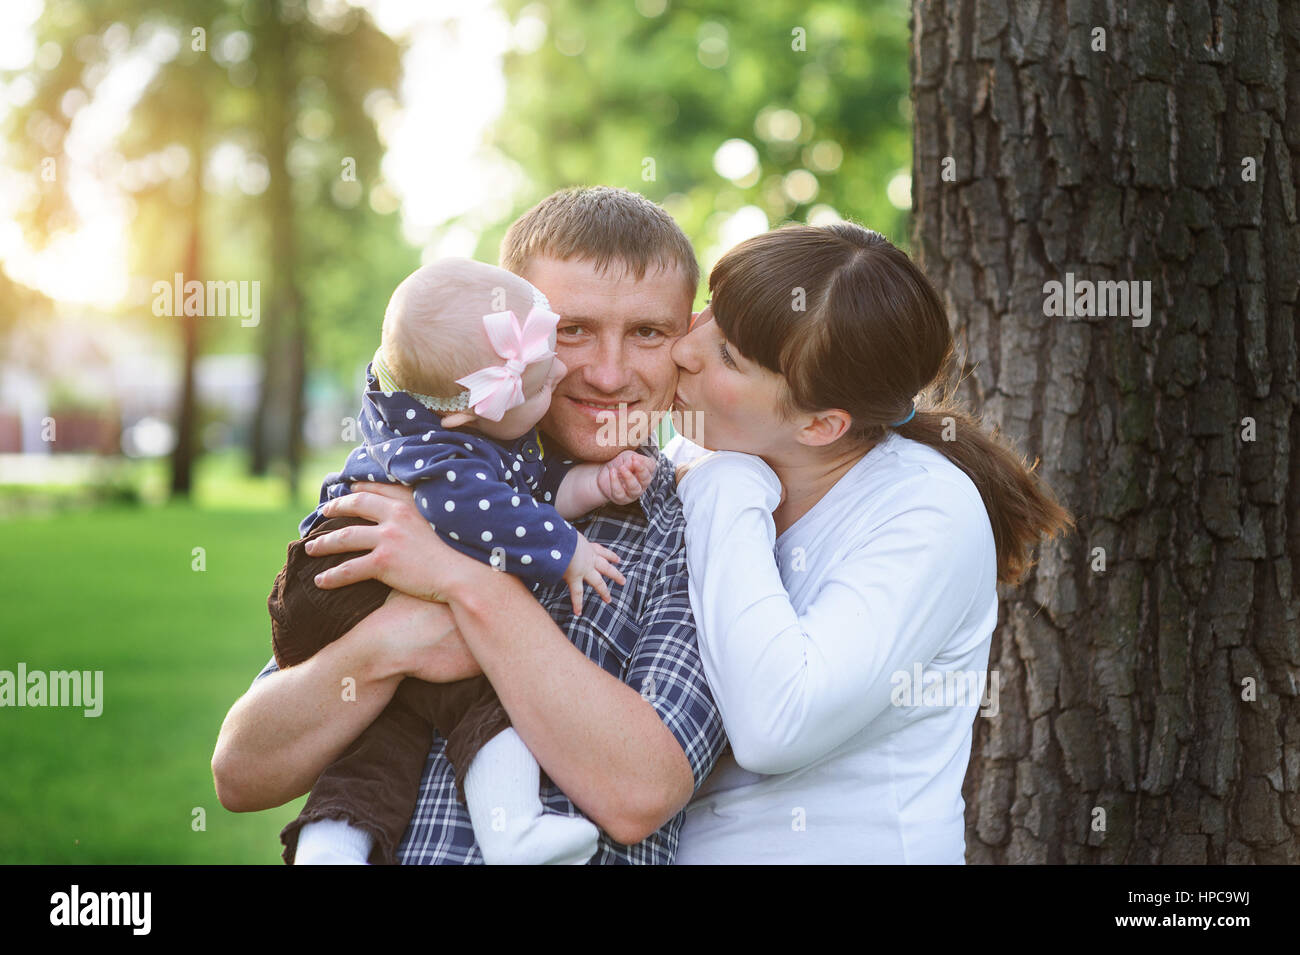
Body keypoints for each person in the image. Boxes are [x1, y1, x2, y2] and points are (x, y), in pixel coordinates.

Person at [212, 186, 727, 864]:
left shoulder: (698, 529)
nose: (607, 373)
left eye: (647, 333)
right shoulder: (412, 489)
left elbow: (640, 792)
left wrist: (457, 582)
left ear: (685, 339)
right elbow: (243, 770)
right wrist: (389, 643)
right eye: (571, 330)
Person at [666, 223, 1072, 863]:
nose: (685, 346)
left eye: (728, 356)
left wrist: (726, 486)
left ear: (821, 424)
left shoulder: (925, 510)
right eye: (709, 314)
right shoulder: (701, 447)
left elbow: (779, 725)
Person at [269, 258, 657, 865]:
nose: (560, 369)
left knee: (376, 735)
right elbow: (487, 512)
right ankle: (515, 828)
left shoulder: (431, 402)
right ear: (468, 413)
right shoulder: (446, 459)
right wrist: (568, 550)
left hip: (338, 579)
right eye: (537, 380)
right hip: (350, 584)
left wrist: (597, 485)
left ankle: (330, 852)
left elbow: (529, 483)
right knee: (484, 694)